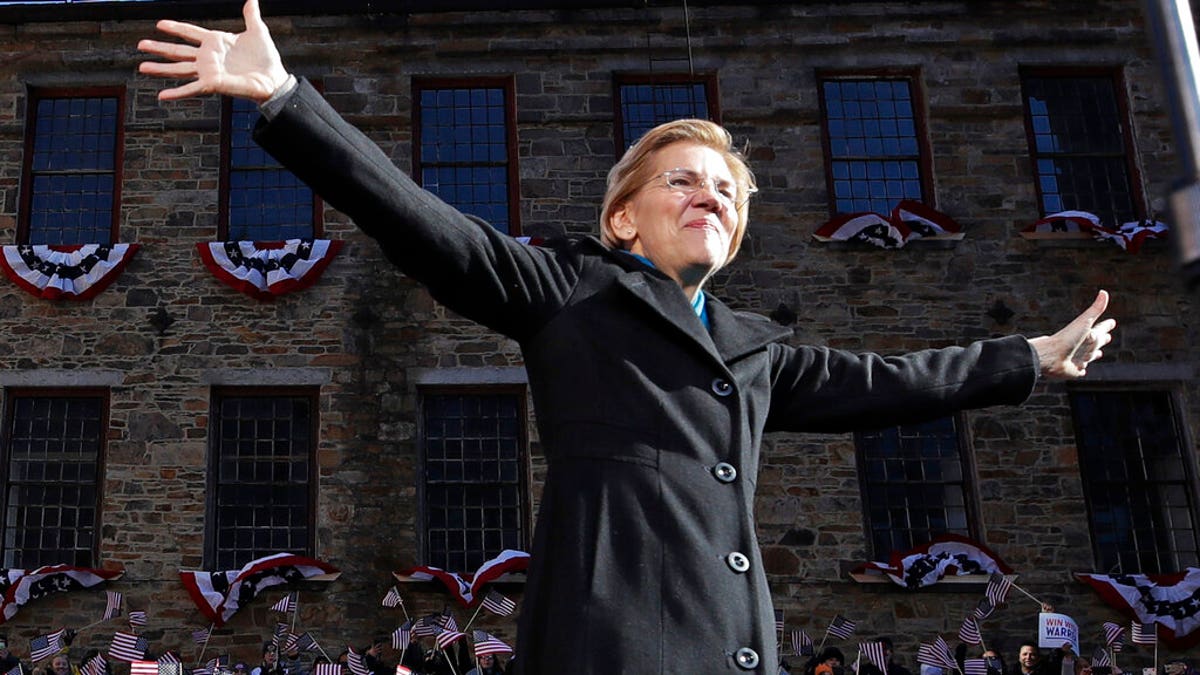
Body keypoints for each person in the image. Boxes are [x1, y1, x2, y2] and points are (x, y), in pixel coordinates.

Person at [137, 3, 1117, 671]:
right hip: (610, 644)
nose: (711, 196)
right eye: (683, 181)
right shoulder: (569, 294)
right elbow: (420, 220)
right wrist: (283, 101)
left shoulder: (753, 347)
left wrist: (1031, 356)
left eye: (727, 193)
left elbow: (895, 379)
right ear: (623, 220)